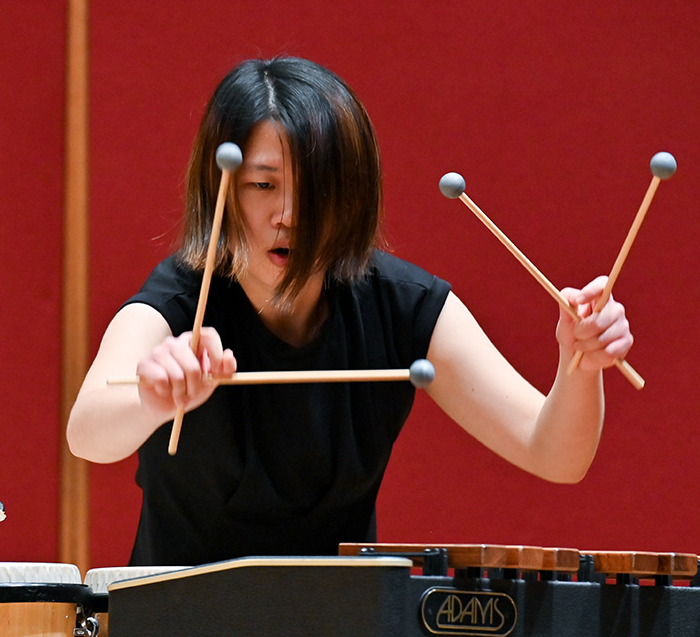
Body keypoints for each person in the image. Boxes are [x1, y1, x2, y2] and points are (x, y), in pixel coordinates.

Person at [67, 57, 633, 566]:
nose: (286, 214)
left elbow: (554, 452)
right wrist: (151, 396)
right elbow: (87, 433)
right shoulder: (178, 305)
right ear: (222, 190)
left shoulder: (399, 303)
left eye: (312, 189)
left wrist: (579, 369)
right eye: (262, 185)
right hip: (178, 623)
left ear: (351, 195)